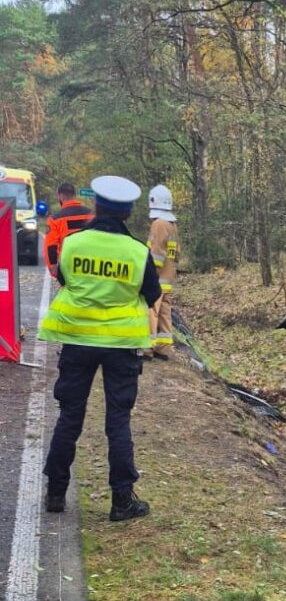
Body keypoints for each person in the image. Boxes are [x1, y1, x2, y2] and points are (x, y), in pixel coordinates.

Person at [39, 175, 162, 521]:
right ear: (128, 212)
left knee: (69, 416)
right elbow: (152, 295)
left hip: (78, 341)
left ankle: (56, 493)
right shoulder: (138, 252)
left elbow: (64, 278)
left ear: (97, 206)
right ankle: (122, 500)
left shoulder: (75, 243)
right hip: (122, 346)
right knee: (118, 420)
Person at [146, 184, 180, 359]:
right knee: (165, 314)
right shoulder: (172, 225)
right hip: (168, 279)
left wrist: (148, 273)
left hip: (157, 279)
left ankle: (147, 348)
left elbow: (156, 255)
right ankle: (163, 348)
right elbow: (176, 254)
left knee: (151, 311)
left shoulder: (159, 224)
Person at [43, 182, 94, 276]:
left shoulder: (55, 219)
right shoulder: (91, 215)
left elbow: (51, 246)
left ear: (61, 196)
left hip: (68, 266)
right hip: (90, 265)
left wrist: (53, 268)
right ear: (74, 195)